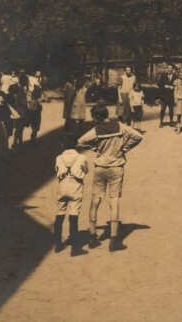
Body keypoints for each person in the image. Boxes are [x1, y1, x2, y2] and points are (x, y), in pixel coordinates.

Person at [78, 104, 143, 252]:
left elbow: (81, 141)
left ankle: (92, 236)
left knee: (95, 200)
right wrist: (124, 148)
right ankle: (114, 240)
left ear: (97, 117)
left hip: (100, 167)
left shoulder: (96, 130)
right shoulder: (119, 126)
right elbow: (138, 136)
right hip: (116, 167)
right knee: (114, 201)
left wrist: (95, 148)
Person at [54, 133, 89, 257]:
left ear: (62, 144)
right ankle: (75, 248)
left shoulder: (58, 157)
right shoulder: (81, 157)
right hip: (75, 188)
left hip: (62, 187)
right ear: (76, 144)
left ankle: (58, 244)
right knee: (73, 217)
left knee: (59, 214)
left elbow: (56, 170)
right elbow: (86, 170)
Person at [8, 83, 28, 148]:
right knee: (20, 128)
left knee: (18, 128)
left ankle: (17, 141)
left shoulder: (13, 96)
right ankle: (18, 141)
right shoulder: (20, 96)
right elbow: (24, 105)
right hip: (21, 113)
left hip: (16, 113)